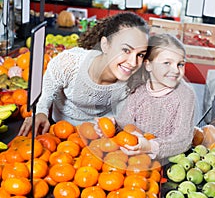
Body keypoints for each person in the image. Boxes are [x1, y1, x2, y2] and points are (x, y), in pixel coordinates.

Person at [18, 12, 149, 136]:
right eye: (126, 50)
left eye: (140, 54)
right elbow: (45, 94)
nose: (133, 63)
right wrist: (40, 113)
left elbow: (122, 117)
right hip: (59, 130)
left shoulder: (134, 81)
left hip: (101, 137)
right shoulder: (69, 63)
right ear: (105, 45)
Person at [113, 33, 197, 160]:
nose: (175, 70)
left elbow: (182, 139)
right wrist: (113, 124)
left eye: (180, 64)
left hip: (168, 163)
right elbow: (126, 124)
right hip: (136, 159)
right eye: (167, 63)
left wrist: (151, 147)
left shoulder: (185, 95)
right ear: (148, 65)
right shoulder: (138, 91)